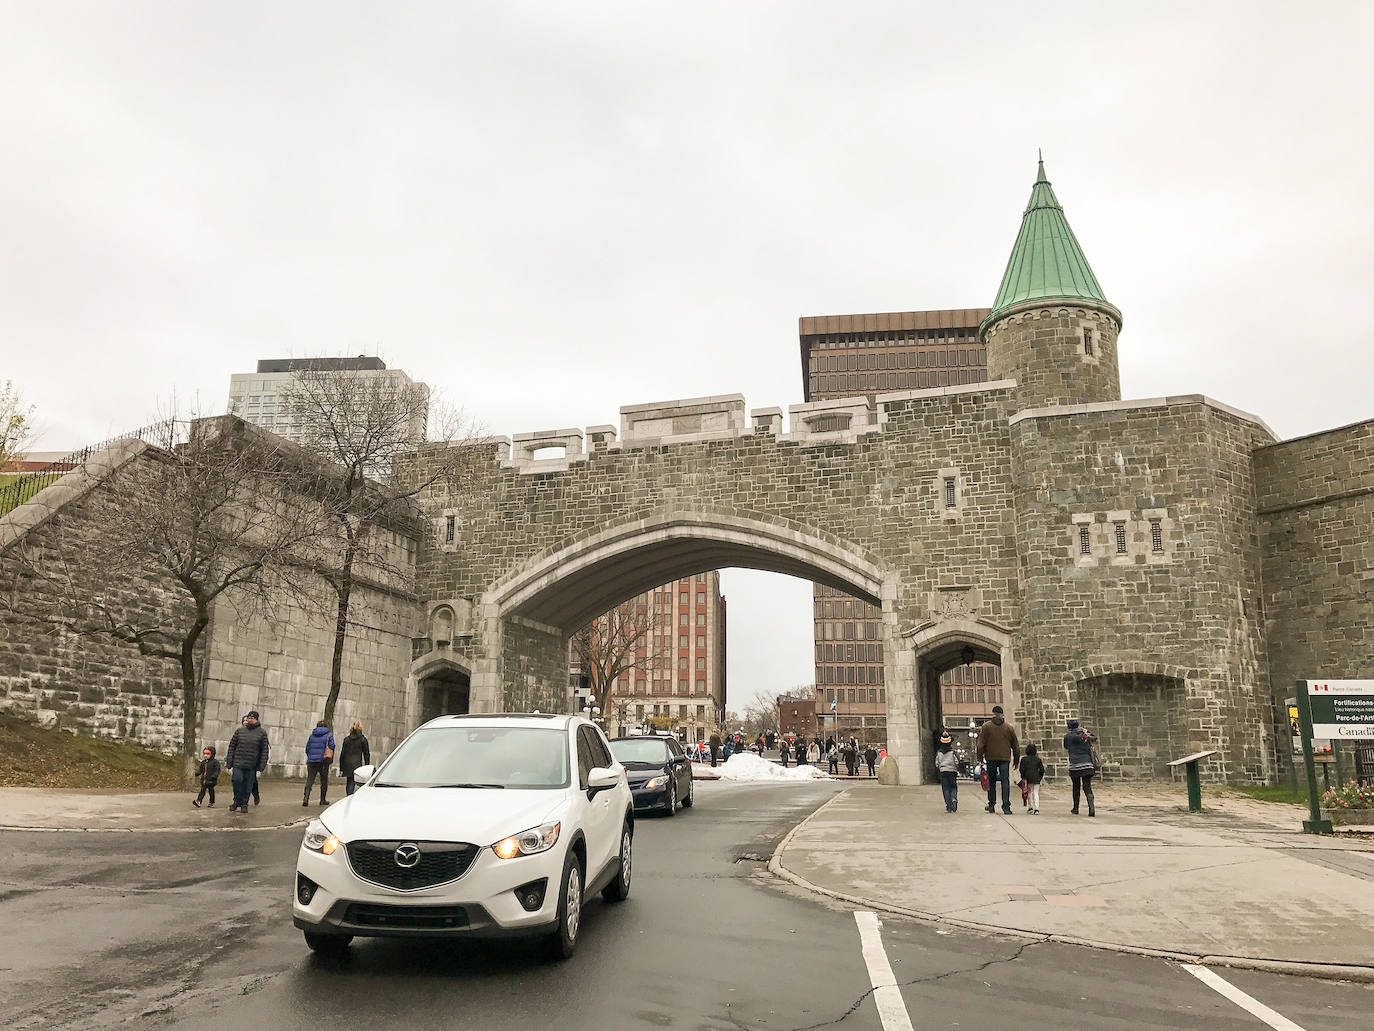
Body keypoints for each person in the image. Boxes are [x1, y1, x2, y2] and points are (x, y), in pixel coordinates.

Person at [976, 705, 1021, 814]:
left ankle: (991, 803)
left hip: (991, 757)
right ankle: (1006, 806)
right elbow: (1015, 746)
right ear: (1002, 715)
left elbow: (980, 745)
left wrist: (980, 758)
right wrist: (1016, 760)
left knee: (991, 781)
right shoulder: (1008, 728)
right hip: (1005, 758)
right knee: (1005, 781)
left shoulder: (986, 727)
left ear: (993, 713)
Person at [225, 710, 269, 813]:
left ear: (256, 719)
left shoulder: (262, 733)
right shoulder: (240, 731)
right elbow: (232, 746)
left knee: (248, 785)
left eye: (251, 718)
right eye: (248, 718)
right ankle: (236, 801)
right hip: (238, 763)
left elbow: (264, 750)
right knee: (237, 781)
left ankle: (244, 803)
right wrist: (229, 760)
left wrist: (262, 764)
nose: (249, 720)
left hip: (251, 764)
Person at [1063, 718, 1097, 816]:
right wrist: (1085, 732)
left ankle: (1076, 808)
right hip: (1087, 764)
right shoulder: (1084, 734)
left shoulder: (1067, 737)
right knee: (1087, 787)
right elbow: (1094, 738)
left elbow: (1066, 746)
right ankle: (1091, 808)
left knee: (1076, 787)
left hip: (1075, 765)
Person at [302, 720, 335, 806]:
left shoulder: (312, 735)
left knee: (310, 780)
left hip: (312, 761)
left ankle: (306, 799)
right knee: (323, 781)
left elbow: (307, 748)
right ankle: (322, 799)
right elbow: (332, 746)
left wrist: (311, 756)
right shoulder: (329, 735)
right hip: (323, 761)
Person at [339, 720, 371, 796]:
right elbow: (366, 754)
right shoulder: (363, 740)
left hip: (347, 763)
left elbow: (342, 754)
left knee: (349, 781)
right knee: (355, 782)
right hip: (357, 763)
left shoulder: (346, 739)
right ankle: (351, 797)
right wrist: (367, 766)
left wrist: (341, 767)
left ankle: (348, 795)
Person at [935, 733, 960, 812]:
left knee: (945, 788)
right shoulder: (953, 752)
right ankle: (954, 799)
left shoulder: (939, 753)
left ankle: (948, 807)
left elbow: (937, 763)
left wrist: (940, 767)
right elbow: (956, 761)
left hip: (943, 771)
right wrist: (956, 768)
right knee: (953, 787)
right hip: (952, 771)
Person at [1018, 743, 1045, 814]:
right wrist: (1040, 777)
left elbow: (1021, 769)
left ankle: (1030, 807)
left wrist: (1023, 777)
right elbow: (1042, 770)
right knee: (1036, 793)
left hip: (1027, 778)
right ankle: (1037, 808)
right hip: (1036, 778)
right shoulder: (1038, 760)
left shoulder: (1024, 759)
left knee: (1029, 793)